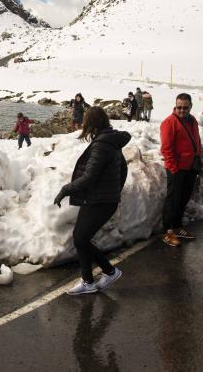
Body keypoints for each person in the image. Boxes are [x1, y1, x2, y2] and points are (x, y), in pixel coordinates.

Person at [54, 106, 131, 295]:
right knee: (81, 239)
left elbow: (89, 177)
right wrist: (114, 191)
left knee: (80, 239)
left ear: (92, 124)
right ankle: (94, 278)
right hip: (101, 200)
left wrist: (65, 189)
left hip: (100, 202)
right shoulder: (111, 141)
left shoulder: (102, 145)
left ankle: (103, 275)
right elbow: (123, 170)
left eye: (86, 122)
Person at [160, 93, 202, 247]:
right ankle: (167, 231)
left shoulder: (193, 121)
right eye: (179, 107)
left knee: (183, 198)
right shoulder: (169, 123)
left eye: (185, 107)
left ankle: (177, 226)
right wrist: (173, 168)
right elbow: (166, 148)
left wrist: (198, 156)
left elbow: (196, 140)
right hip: (176, 169)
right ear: (175, 106)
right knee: (173, 199)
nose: (182, 110)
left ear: (190, 106)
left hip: (191, 167)